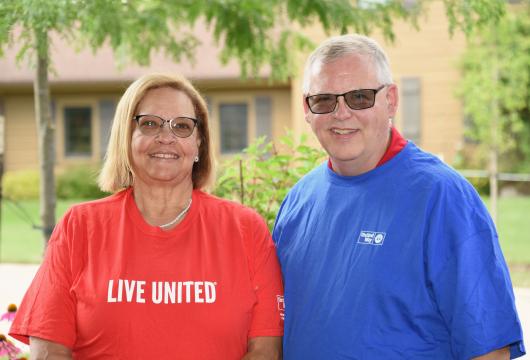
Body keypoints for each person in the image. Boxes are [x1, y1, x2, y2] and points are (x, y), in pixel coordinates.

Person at [272, 34, 525, 359]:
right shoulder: (298, 202)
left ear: (390, 99)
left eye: (359, 97)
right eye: (324, 100)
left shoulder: (442, 198)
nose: (341, 113)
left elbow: (490, 350)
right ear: (307, 108)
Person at [10, 73, 284, 359]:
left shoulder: (245, 229)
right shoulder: (79, 227)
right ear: (126, 138)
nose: (166, 137)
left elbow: (266, 350)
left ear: (199, 143)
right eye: (149, 123)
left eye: (182, 126)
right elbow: (49, 350)